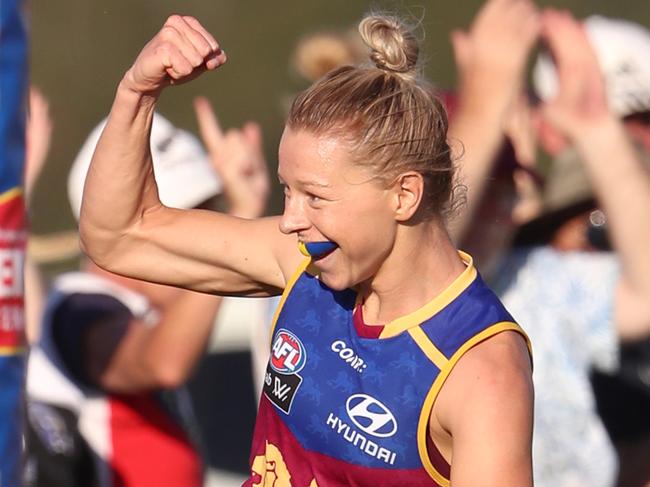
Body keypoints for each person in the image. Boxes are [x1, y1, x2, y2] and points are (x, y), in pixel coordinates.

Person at [79, 11, 534, 487]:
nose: (292, 219)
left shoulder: (478, 370)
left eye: (315, 196)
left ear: (404, 195)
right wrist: (136, 93)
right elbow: (119, 235)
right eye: (287, 191)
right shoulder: (304, 263)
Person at [449, 5, 650, 486]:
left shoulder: (536, 278)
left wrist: (597, 128)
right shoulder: (349, 290)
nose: (500, 207)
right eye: (482, 186)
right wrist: (486, 97)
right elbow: (421, 246)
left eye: (508, 185)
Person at [25, 112, 228, 487]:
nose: (203, 237)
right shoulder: (82, 311)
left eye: (208, 213)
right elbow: (165, 362)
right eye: (184, 218)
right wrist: (241, 225)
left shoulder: (137, 312)